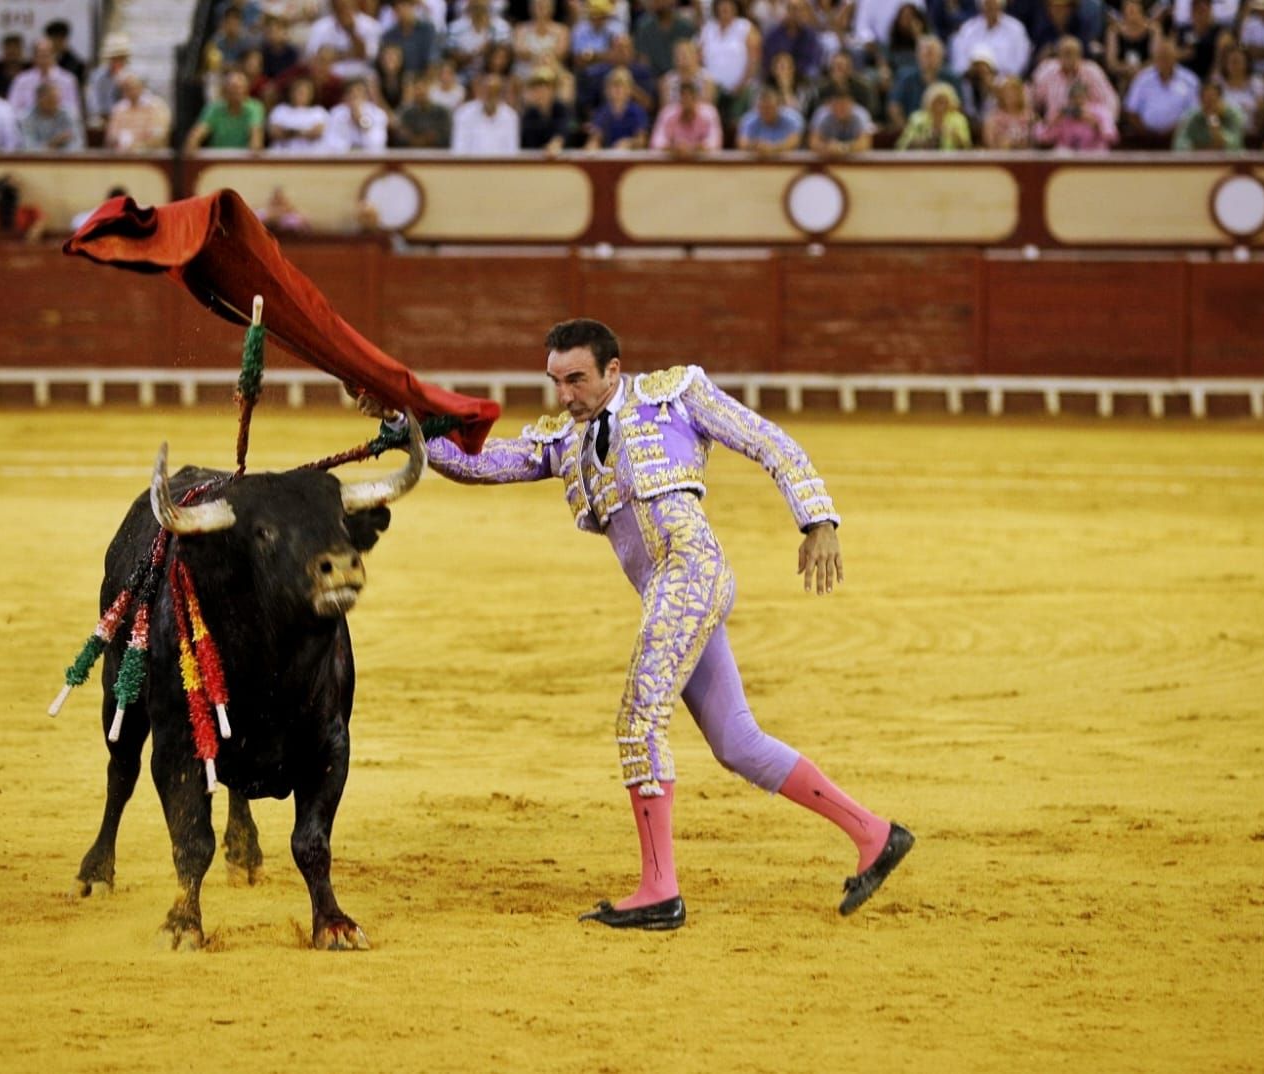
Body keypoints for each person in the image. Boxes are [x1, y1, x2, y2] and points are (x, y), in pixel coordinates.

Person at [360, 320, 915, 930]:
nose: (565, 394)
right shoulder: (566, 442)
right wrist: (404, 431)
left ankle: (660, 891)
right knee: (737, 741)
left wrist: (818, 521)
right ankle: (874, 833)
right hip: (663, 592)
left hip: (691, 572)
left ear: (613, 371)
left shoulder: (676, 396)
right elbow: (484, 463)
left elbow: (766, 440)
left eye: (577, 380)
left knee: (638, 721)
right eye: (556, 381)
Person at [1123, 37, 1201, 146]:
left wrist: (1175, 132)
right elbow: (1131, 110)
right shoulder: (1142, 79)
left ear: (1176, 57)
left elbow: (1194, 113)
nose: (1164, 60)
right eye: (1161, 57)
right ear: (1155, 58)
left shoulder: (1190, 80)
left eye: (1167, 56)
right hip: (1146, 139)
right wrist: (1146, 133)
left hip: (1181, 139)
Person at [950, 0, 1033, 79]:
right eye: (987, 5)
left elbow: (1020, 62)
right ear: (981, 7)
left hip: (1004, 80)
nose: (991, 8)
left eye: (994, 4)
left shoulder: (1016, 29)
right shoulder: (968, 28)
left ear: (1001, 6)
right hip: (973, 80)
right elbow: (959, 62)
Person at [186, 70, 266, 149]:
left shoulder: (255, 108)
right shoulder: (214, 109)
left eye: (239, 88)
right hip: (217, 158)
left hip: (243, 160)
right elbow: (195, 136)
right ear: (224, 91)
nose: (235, 92)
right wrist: (192, 146)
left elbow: (256, 143)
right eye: (232, 88)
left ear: (247, 90)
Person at [451, 73, 519, 153]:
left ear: (501, 95)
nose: (490, 96)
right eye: (487, 91)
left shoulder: (510, 116)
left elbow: (512, 150)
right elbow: (459, 149)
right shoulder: (464, 114)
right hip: (470, 164)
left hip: (501, 164)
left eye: (494, 92)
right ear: (480, 92)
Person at [587, 66, 652, 148]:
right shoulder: (603, 112)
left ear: (629, 89)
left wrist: (630, 142)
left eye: (622, 86)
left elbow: (642, 140)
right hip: (609, 156)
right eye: (614, 86)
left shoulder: (638, 112)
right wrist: (592, 145)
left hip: (632, 156)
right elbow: (596, 137)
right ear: (607, 90)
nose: (618, 90)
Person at [104, 72, 173, 150]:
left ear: (142, 87)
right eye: (125, 88)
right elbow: (110, 137)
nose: (130, 91)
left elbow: (159, 136)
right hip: (122, 155)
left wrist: (137, 145)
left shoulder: (157, 106)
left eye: (132, 87)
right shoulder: (119, 109)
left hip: (150, 155)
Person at [1172, 79, 1248, 148]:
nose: (1209, 105)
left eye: (1213, 100)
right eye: (1205, 101)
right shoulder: (1192, 115)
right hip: (1199, 160)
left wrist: (1216, 131)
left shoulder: (1234, 115)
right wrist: (1198, 148)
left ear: (1221, 99)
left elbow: (1235, 144)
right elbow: (1179, 144)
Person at [896, 80, 972, 147]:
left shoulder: (958, 119)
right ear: (929, 102)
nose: (941, 106)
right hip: (922, 160)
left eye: (944, 102)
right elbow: (902, 145)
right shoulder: (917, 118)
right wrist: (923, 142)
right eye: (937, 101)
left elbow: (967, 147)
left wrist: (955, 136)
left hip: (951, 160)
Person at [736, 84, 806, 151]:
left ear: (779, 105)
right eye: (762, 108)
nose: (766, 111)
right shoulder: (749, 119)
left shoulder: (792, 118)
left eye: (769, 108)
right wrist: (755, 146)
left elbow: (795, 142)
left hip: (787, 161)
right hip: (758, 159)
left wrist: (773, 149)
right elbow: (742, 143)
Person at [520, 66, 574, 152]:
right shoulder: (529, 114)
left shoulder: (562, 109)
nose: (541, 93)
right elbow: (527, 140)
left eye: (545, 89)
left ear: (553, 90)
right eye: (536, 89)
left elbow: (565, 129)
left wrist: (557, 142)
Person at [324, 79, 389, 150]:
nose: (355, 97)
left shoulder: (378, 114)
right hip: (343, 158)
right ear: (345, 96)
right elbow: (330, 142)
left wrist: (360, 119)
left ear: (366, 95)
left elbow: (377, 143)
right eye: (351, 93)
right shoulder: (336, 113)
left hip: (370, 158)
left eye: (359, 93)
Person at [20, 80, 84, 151]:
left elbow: (77, 145)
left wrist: (57, 152)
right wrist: (53, 143)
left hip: (66, 160)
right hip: (36, 161)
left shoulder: (69, 114)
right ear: (38, 100)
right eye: (50, 100)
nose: (55, 104)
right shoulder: (26, 118)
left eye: (57, 100)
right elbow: (28, 148)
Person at [809, 86, 875, 152]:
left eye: (844, 106)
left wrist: (843, 147)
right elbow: (813, 142)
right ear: (830, 105)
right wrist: (826, 147)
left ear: (852, 104)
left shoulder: (861, 114)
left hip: (854, 156)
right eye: (837, 105)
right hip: (828, 155)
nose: (840, 109)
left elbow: (866, 143)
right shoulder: (822, 114)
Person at [398, 73, 453, 147]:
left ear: (429, 88)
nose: (420, 92)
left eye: (423, 88)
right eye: (416, 89)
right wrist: (417, 140)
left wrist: (428, 139)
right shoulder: (406, 113)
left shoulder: (442, 112)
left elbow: (446, 137)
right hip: (411, 154)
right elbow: (402, 136)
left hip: (438, 154)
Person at [983, 75, 1036, 147]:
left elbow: (1037, 142)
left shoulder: (1030, 116)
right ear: (1000, 95)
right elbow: (989, 145)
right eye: (1006, 93)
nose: (1011, 96)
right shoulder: (992, 119)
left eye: (1014, 92)